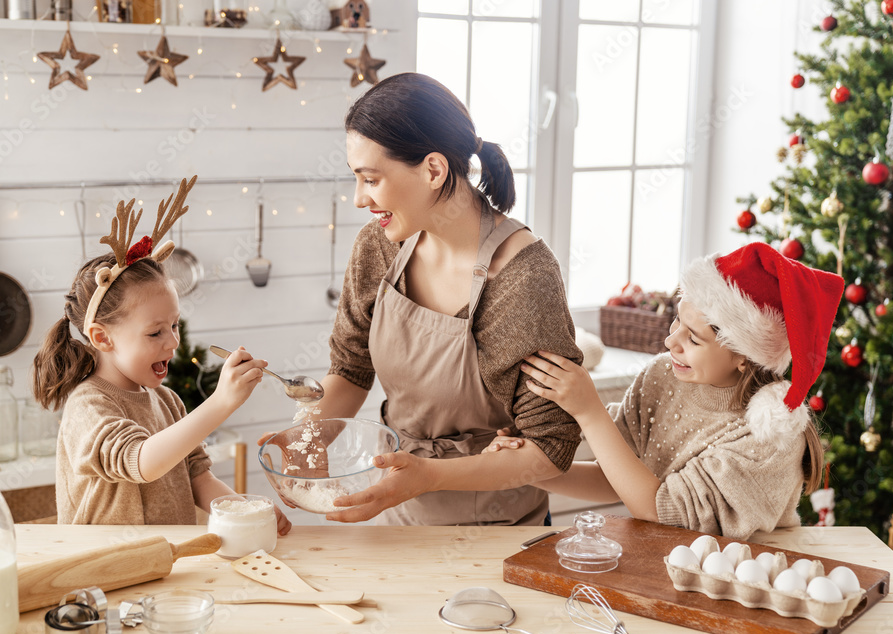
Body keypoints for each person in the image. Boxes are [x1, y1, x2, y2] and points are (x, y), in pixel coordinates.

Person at [296, 72, 583, 526]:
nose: (358, 199)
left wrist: (428, 475)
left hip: (499, 532)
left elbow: (550, 451)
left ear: (433, 169)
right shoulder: (380, 246)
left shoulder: (522, 277)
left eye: (371, 179)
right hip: (401, 511)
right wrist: (302, 443)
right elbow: (351, 370)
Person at [485, 243, 844, 539]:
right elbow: (620, 480)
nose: (671, 341)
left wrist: (589, 411)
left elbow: (660, 510)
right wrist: (532, 468)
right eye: (677, 320)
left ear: (745, 358)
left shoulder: (767, 439)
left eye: (694, 337)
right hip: (673, 567)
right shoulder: (663, 376)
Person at [32, 178, 291, 534]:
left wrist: (245, 512)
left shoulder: (167, 402)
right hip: (105, 573)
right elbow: (141, 462)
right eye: (155, 332)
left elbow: (199, 478)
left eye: (175, 325)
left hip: (167, 566)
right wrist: (221, 403)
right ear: (101, 337)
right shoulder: (87, 406)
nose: (173, 343)